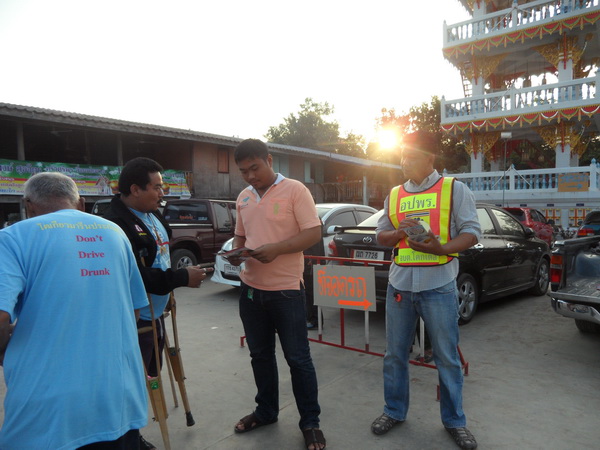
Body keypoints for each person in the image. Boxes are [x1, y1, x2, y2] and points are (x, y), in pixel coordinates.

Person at [0, 172, 148, 449]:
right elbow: (136, 311)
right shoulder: (115, 233)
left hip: (48, 408)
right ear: (80, 203)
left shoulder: (12, 238)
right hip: (118, 396)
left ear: (29, 205)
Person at [371, 131, 481, 450]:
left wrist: (441, 248)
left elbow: (472, 232)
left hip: (439, 285)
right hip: (400, 285)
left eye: (410, 156)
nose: (403, 161)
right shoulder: (394, 194)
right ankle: (394, 411)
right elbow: (380, 235)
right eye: (402, 155)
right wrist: (397, 234)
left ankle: (455, 421)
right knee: (395, 355)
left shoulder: (454, 189)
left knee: (446, 357)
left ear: (430, 158)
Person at [104, 157, 209, 450]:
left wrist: (170, 288)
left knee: (152, 370)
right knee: (134, 378)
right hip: (133, 315)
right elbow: (135, 276)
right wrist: (181, 278)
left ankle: (134, 426)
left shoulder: (153, 214)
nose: (162, 193)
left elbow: (160, 256)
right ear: (135, 189)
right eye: (157, 187)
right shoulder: (116, 224)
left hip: (157, 310)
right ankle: (130, 436)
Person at [229, 139, 326, 450]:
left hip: (286, 292)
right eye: (244, 171)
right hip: (250, 290)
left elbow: (313, 233)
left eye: (255, 168)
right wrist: (236, 253)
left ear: (269, 160)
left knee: (298, 359)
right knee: (260, 355)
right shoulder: (244, 197)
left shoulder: (295, 190)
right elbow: (241, 235)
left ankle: (310, 422)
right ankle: (266, 411)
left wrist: (277, 250)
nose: (250, 176)